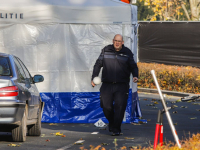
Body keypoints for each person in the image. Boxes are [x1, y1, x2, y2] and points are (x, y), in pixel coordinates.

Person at [91, 34, 138, 136]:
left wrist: (135, 75)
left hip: (122, 85)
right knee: (106, 106)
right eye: (115, 41)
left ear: (122, 42)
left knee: (120, 107)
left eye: (119, 41)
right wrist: (94, 77)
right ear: (113, 41)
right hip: (107, 84)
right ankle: (112, 123)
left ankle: (116, 129)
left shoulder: (127, 53)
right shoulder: (106, 50)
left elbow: (133, 66)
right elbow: (98, 64)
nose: (117, 43)